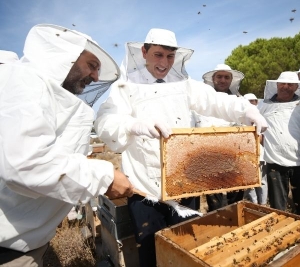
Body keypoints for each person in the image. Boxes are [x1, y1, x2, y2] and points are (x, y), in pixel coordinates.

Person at [94, 28, 267, 267]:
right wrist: (134, 125)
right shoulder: (126, 86)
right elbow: (104, 122)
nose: (164, 62)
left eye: (169, 56)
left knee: (185, 250)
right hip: (145, 189)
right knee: (151, 255)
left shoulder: (183, 84)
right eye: (158, 54)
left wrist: (246, 110)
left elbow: (215, 100)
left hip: (185, 184)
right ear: (144, 52)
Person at [0, 24, 134, 266]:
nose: (95, 77)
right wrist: (105, 177)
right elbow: (27, 164)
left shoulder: (43, 92)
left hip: (27, 241)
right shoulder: (21, 80)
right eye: (92, 65)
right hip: (7, 249)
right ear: (64, 56)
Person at [259, 71, 300, 217]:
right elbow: (257, 131)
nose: (286, 87)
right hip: (274, 164)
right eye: (283, 83)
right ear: (277, 85)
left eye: (290, 84)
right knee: (278, 208)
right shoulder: (264, 106)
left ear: (296, 87)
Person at [199, 64, 245, 211]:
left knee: (236, 196)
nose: (223, 80)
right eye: (219, 76)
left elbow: (245, 127)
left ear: (231, 80)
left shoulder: (240, 100)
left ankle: (234, 225)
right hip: (210, 155)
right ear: (213, 79)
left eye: (227, 77)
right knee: (215, 199)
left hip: (235, 155)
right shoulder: (203, 100)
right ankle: (218, 225)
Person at [243, 93, 268, 205]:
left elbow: (263, 137)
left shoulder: (261, 116)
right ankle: (254, 203)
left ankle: (262, 204)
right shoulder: (241, 117)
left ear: (257, 102)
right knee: (250, 181)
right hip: (245, 155)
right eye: (249, 101)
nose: (251, 103)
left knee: (262, 181)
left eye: (253, 101)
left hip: (260, 154)